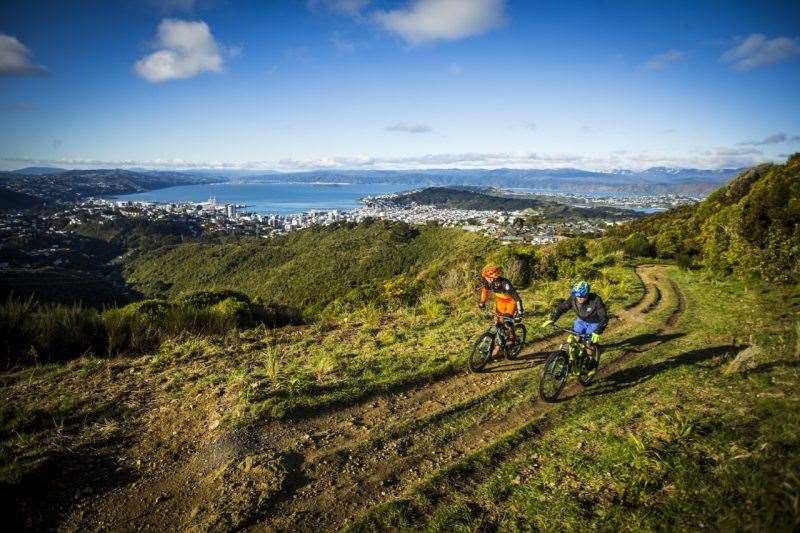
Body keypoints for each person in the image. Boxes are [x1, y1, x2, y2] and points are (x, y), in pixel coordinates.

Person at [541, 280, 607, 367]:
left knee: (589, 343)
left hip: (594, 322)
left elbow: (604, 317)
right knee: (574, 339)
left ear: (587, 294)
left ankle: (592, 359)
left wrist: (598, 331)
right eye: (578, 296)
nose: (580, 298)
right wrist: (552, 319)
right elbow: (562, 308)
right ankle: (575, 357)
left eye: (583, 296)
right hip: (581, 321)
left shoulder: (596, 300)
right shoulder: (573, 298)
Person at [478, 264, 524, 358]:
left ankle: (513, 338)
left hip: (511, 302)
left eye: (487, 277)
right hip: (500, 302)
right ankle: (500, 344)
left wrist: (520, 311)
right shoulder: (488, 281)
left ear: (492, 277)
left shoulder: (504, 283)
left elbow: (516, 297)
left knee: (507, 322)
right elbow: (485, 292)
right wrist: (482, 302)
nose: (485, 279)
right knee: (497, 323)